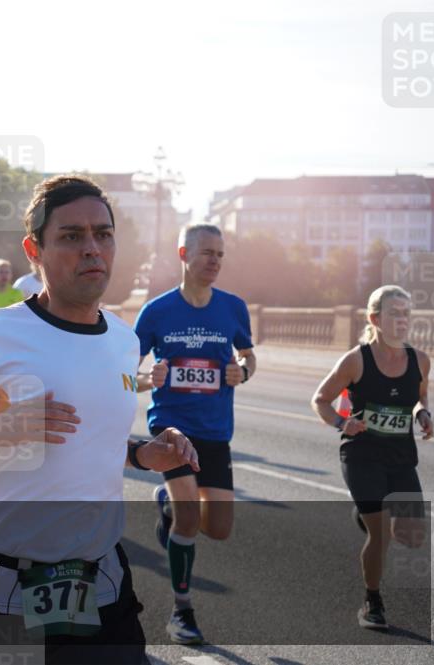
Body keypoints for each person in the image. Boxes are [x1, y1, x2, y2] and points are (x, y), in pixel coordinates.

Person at [0, 174, 198, 665]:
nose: (92, 248)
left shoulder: (122, 339)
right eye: (72, 236)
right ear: (35, 250)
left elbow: (87, 438)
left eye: (103, 234)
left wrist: (143, 453)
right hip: (5, 588)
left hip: (104, 584)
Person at [133, 222, 255, 645]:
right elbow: (123, 373)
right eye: (206, 253)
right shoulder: (157, 311)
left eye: (220, 254)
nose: (214, 261)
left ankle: (166, 504)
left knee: (218, 527)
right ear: (184, 255)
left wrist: (243, 371)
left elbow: (249, 358)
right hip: (171, 424)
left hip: (215, 430)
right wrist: (149, 377)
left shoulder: (234, 308)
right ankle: (182, 611)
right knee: (189, 518)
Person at [311, 285, 431, 630]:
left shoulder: (420, 360)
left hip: (400, 455)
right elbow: (320, 400)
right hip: (362, 454)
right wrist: (340, 422)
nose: (402, 320)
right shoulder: (355, 360)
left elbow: (421, 398)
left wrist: (423, 415)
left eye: (406, 313)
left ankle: (364, 515)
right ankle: (372, 602)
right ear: (375, 319)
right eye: (395, 313)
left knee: (412, 535)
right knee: (380, 535)